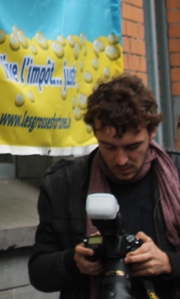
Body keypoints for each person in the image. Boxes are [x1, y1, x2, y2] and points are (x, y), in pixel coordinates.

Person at [29, 74, 180, 298]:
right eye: (108, 147)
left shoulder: (176, 173)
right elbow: (38, 271)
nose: (121, 160)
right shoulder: (63, 183)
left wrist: (169, 263)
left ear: (152, 131)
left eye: (133, 147)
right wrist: (72, 261)